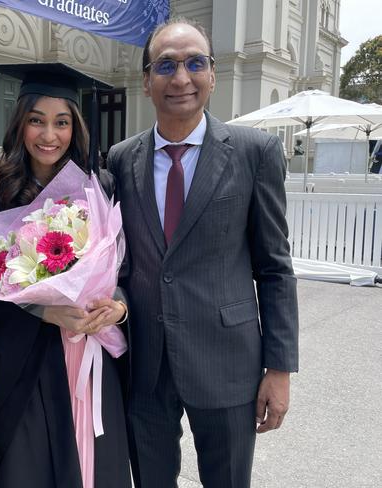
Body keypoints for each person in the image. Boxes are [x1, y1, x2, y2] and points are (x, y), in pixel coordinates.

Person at [106, 18, 299, 488]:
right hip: (144, 365)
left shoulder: (255, 152)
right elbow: (117, 261)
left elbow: (275, 268)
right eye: (166, 65)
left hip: (227, 362)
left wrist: (279, 369)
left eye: (195, 63)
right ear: (147, 81)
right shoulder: (119, 158)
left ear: (212, 75)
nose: (181, 78)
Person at [0, 63, 132, 488]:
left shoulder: (101, 186)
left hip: (91, 354)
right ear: (20, 125)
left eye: (61, 123)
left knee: (93, 466)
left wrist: (117, 306)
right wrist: (44, 312)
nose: (49, 135)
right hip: (27, 362)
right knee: (27, 470)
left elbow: (125, 271)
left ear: (75, 128)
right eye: (36, 121)